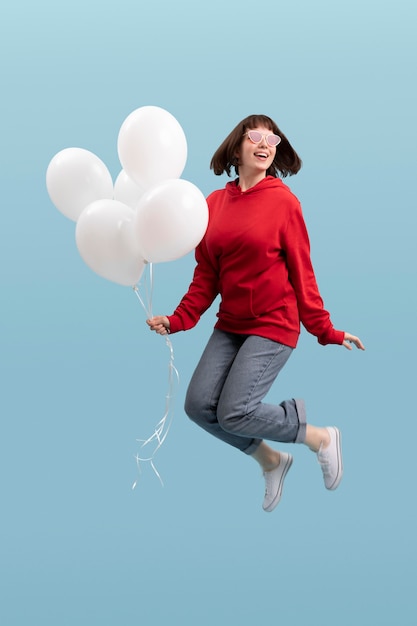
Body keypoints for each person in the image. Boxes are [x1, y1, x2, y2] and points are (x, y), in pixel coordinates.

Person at [147, 114, 365, 512]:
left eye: (273, 139)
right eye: (255, 137)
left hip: (273, 323)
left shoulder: (284, 203)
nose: (265, 144)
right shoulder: (213, 204)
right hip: (231, 325)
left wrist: (326, 329)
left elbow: (304, 271)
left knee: (234, 411)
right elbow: (206, 276)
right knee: (198, 406)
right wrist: (178, 320)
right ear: (236, 148)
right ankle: (272, 460)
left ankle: (320, 437)